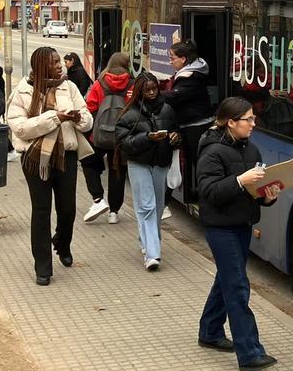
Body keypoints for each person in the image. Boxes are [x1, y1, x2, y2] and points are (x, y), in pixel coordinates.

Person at [196, 97, 280, 371]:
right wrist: (239, 181)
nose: (254, 124)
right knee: (238, 286)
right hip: (220, 228)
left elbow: (256, 194)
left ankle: (209, 331)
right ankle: (249, 352)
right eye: (249, 119)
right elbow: (208, 193)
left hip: (242, 224)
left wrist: (269, 197)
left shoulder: (251, 149)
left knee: (226, 280)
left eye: (254, 119)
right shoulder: (212, 152)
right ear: (231, 122)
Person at [6, 46, 93, 286]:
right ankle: (42, 267)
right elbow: (20, 127)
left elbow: (87, 121)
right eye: (54, 62)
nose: (60, 65)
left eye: (60, 61)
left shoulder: (69, 87)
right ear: (41, 65)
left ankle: (62, 243)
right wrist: (55, 118)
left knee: (68, 209)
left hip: (66, 155)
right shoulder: (23, 91)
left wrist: (78, 118)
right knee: (41, 211)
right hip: (35, 158)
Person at [115, 72, 180, 271]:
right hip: (139, 163)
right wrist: (147, 138)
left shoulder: (167, 110)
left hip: (161, 162)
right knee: (147, 206)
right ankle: (153, 253)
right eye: (147, 90)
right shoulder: (128, 114)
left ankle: (147, 240)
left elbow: (177, 131)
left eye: (154, 89)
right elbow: (123, 142)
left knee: (158, 207)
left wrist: (176, 138)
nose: (152, 93)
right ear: (139, 92)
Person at [82, 52, 132, 224]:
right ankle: (114, 212)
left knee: (88, 162)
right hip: (122, 135)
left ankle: (98, 198)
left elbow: (90, 107)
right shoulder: (132, 83)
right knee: (117, 169)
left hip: (100, 133)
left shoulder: (100, 83)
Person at [163, 39, 213, 205]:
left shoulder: (189, 77)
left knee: (198, 164)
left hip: (195, 126)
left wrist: (154, 94)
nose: (171, 62)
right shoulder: (191, 72)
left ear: (183, 59)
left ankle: (203, 198)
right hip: (191, 124)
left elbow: (176, 96)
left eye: (172, 58)